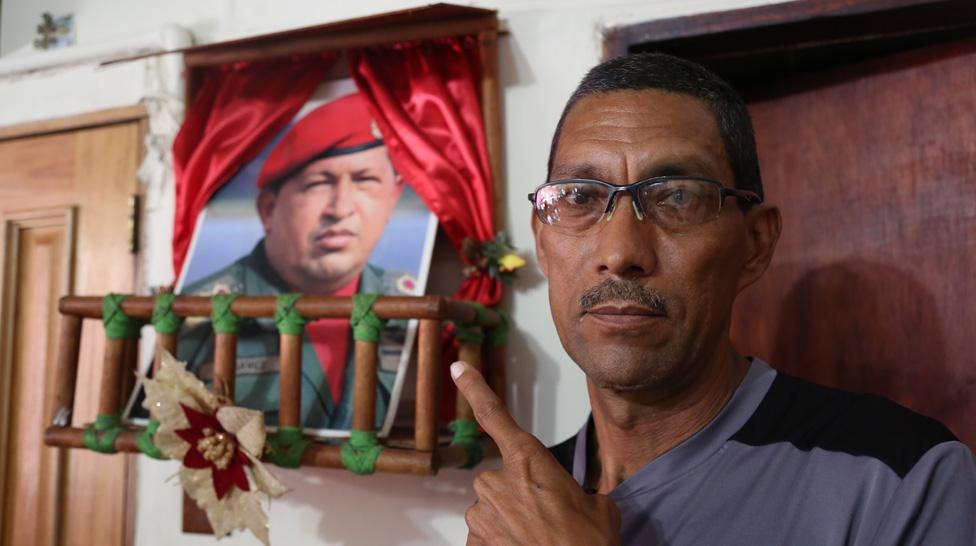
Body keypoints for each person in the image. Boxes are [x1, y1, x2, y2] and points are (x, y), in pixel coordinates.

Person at [450, 53, 976, 545]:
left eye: (677, 196)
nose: (619, 252)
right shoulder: (523, 507)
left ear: (755, 244)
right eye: (581, 198)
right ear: (542, 242)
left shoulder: (899, 477)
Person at [178, 92, 417, 431]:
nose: (340, 208)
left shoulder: (411, 305)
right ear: (268, 210)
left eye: (365, 180)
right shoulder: (200, 316)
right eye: (319, 184)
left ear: (393, 199)